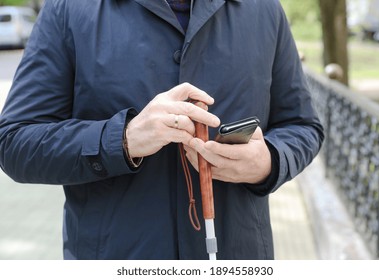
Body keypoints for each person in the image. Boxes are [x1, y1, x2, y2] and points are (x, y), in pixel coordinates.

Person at [0, 0, 324, 260]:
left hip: (239, 257)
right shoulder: (69, 9)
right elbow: (15, 142)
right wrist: (123, 139)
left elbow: (303, 125)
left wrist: (268, 161)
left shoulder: (265, 9)